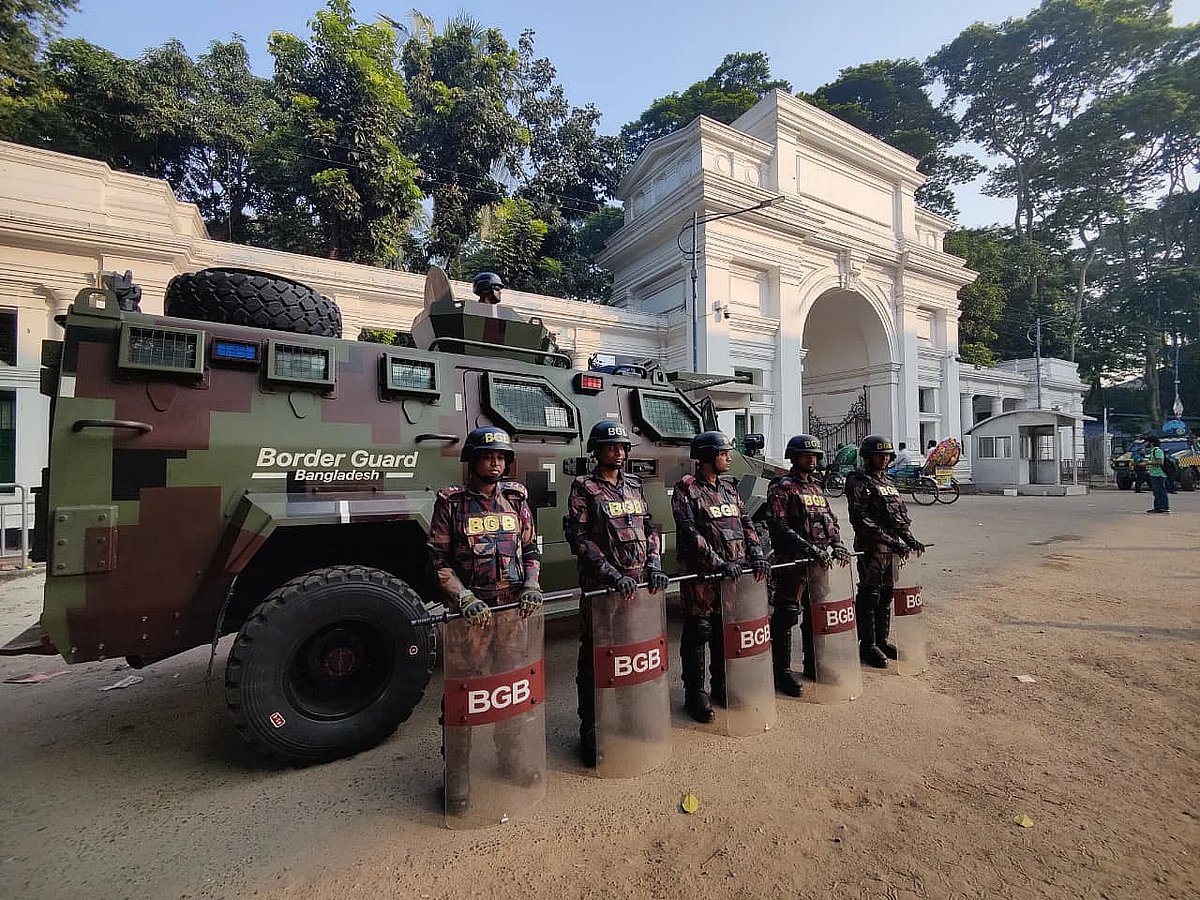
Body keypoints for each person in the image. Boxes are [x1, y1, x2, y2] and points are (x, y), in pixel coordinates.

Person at [427, 425, 544, 812]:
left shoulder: (516, 500)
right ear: (472, 462)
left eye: (500, 458)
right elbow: (438, 562)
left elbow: (531, 550)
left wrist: (531, 585)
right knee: (465, 694)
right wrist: (463, 598)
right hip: (471, 617)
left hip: (511, 613)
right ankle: (456, 777)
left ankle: (510, 761)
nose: (495, 463)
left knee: (510, 687)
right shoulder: (452, 503)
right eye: (487, 457)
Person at [567, 420, 670, 765]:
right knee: (595, 656)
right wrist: (612, 575)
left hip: (637, 586)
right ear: (597, 451)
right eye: (612, 447)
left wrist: (654, 564)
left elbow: (649, 528)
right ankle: (591, 727)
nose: (619, 452)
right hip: (602, 590)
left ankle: (628, 719)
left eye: (623, 447)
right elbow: (581, 539)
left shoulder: (634, 485)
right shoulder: (584, 487)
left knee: (632, 654)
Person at [671, 431, 771, 722]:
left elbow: (746, 522)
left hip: (731, 572)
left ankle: (721, 685)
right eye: (723, 453)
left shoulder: (729, 488)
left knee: (722, 627)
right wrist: (718, 562)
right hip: (701, 574)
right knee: (698, 629)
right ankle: (695, 694)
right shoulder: (686, 489)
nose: (728, 458)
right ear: (707, 457)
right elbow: (689, 532)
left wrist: (756, 554)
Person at [764, 434, 853, 696]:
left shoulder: (816, 488)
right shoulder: (782, 487)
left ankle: (813, 663)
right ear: (794, 457)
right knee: (787, 614)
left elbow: (829, 520)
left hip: (818, 563)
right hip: (793, 562)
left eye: (814, 456)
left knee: (816, 613)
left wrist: (837, 543)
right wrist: (810, 549)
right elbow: (778, 526)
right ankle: (781, 672)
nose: (811, 460)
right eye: (806, 455)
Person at [844, 435, 926, 669]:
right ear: (867, 457)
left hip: (892, 547)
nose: (884, 459)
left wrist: (909, 539)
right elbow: (860, 517)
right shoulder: (858, 481)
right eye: (878, 455)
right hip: (871, 545)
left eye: (887, 455)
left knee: (887, 592)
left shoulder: (887, 481)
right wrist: (890, 540)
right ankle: (867, 644)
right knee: (870, 593)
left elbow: (897, 515)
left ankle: (881, 640)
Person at [1144, 434, 1170, 514]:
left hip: (1159, 474)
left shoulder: (1157, 451)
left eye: (1146, 442)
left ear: (1151, 443)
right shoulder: (1153, 451)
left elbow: (1159, 462)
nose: (1145, 443)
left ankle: (1164, 507)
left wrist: (1148, 463)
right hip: (1154, 474)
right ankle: (1158, 507)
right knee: (1157, 492)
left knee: (1161, 491)